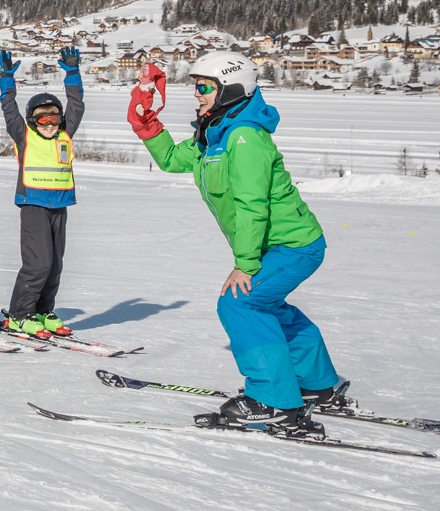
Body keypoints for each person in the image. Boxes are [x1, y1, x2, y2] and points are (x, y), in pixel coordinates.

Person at [128, 50, 343, 432]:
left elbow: (251, 205)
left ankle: (273, 401)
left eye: (204, 87)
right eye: (196, 87)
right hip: (277, 245)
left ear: (230, 88)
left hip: (294, 246)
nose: (197, 94)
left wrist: (245, 265)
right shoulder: (216, 133)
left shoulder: (244, 137)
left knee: (239, 303)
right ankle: (317, 385)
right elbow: (173, 160)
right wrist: (147, 123)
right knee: (266, 305)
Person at [0, 46, 85, 339]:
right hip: (33, 205)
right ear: (32, 119)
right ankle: (19, 315)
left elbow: (77, 105)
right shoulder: (23, 136)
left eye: (54, 116)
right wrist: (7, 79)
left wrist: (72, 74)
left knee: (55, 265)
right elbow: (9, 109)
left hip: (59, 204)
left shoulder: (64, 134)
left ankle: (43, 311)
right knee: (38, 264)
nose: (49, 123)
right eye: (42, 117)